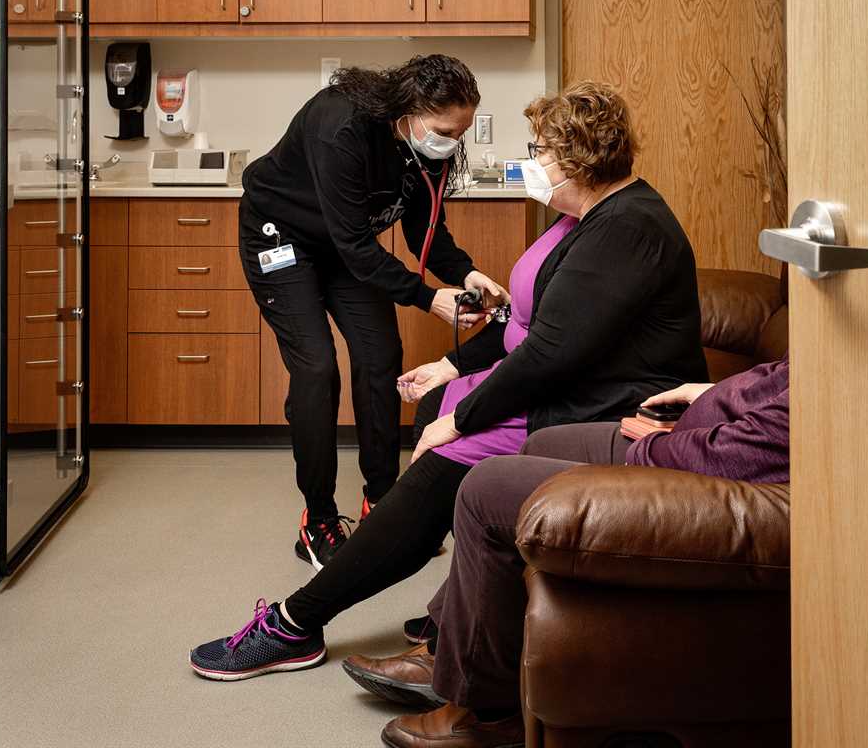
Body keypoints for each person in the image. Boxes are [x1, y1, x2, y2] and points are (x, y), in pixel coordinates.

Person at [189, 81, 709, 682]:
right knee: (431, 401)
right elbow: (526, 322)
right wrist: (451, 366)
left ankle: (295, 623)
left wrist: (461, 421)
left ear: (578, 160)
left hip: (602, 404)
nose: (531, 161)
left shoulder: (626, 229)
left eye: (541, 150)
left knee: (443, 452)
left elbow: (547, 353)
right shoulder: (586, 217)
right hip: (572, 383)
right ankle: (446, 601)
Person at [351, 358, 791, 748]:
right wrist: (712, 394)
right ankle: (453, 646)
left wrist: (653, 447)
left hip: (711, 474)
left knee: (486, 490)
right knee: (543, 443)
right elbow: (780, 378)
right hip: (700, 432)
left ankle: (484, 711)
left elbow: (747, 451)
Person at [238, 55, 507, 571]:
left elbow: (426, 233)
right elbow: (359, 249)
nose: (452, 143)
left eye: (460, 133)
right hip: (280, 239)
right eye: (445, 132)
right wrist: (429, 298)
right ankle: (318, 519)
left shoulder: (425, 147)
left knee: (380, 354)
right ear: (408, 112)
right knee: (316, 368)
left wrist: (467, 274)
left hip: (345, 246)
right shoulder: (340, 126)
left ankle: (382, 501)